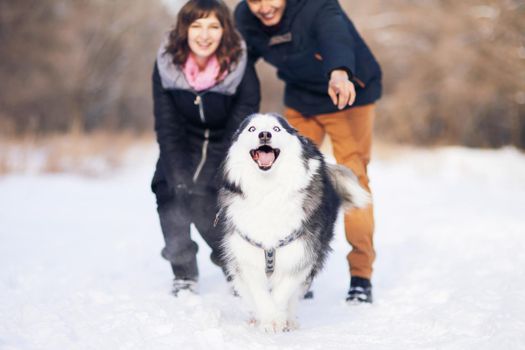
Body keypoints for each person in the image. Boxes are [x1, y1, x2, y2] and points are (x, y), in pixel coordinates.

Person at [234, 0, 382, 303]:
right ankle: (298, 268)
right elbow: (240, 66)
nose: (263, 7)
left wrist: (340, 72)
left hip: (348, 94)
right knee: (287, 177)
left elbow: (335, 35)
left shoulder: (316, 5)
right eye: (254, 0)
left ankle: (361, 276)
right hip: (302, 99)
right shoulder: (245, 18)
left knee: (353, 180)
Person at [151, 0, 260, 296]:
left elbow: (242, 126)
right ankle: (183, 271)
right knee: (169, 191)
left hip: (226, 143)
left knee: (208, 199)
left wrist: (215, 174)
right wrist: (177, 173)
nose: (204, 34)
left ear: (224, 30)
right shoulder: (166, 64)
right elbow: (167, 124)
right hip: (182, 141)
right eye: (196, 25)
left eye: (213, 26)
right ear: (183, 29)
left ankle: (233, 264)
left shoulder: (241, 66)